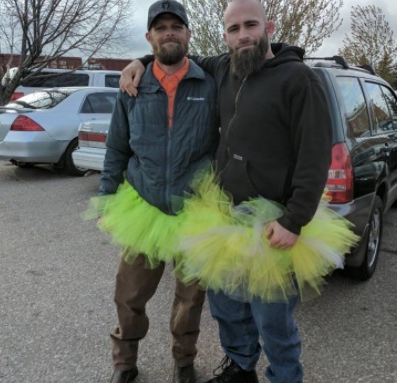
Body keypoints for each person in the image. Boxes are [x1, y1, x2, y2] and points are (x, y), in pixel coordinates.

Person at [119, 1, 358, 382]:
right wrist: (140, 61)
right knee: (227, 306)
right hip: (225, 215)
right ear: (226, 35)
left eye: (251, 25)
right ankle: (241, 367)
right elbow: (176, 53)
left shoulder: (299, 79)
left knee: (272, 319)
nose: (243, 34)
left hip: (274, 221)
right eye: (234, 29)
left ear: (270, 26)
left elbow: (315, 158)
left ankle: (284, 376)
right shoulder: (225, 67)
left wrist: (294, 221)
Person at [93, 1, 218, 382]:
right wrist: (105, 196)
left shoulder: (209, 83)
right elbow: (116, 147)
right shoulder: (133, 86)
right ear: (149, 37)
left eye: (176, 26)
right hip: (143, 206)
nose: (169, 32)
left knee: (190, 298)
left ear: (188, 34)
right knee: (129, 296)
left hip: (194, 208)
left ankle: (184, 361)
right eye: (160, 27)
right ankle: (124, 364)